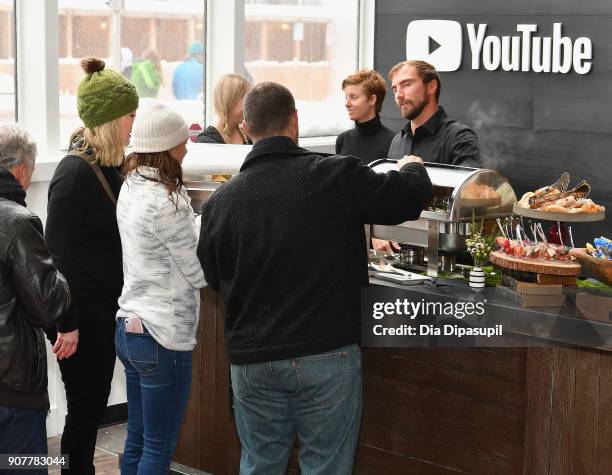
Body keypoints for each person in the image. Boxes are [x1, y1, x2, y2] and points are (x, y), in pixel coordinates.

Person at [197, 82, 432, 474]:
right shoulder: (334, 176)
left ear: (248, 127)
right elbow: (405, 198)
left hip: (251, 360)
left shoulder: (221, 203)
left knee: (259, 465)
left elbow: (214, 276)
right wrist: (412, 168)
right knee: (325, 467)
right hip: (326, 356)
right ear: (295, 121)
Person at [45, 57, 139, 474]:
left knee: (90, 410)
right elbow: (55, 256)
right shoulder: (73, 172)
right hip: (80, 319)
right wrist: (66, 323)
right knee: (85, 414)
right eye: (129, 116)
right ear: (109, 119)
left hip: (101, 313)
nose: (133, 124)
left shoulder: (110, 165)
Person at [115, 103, 206, 474]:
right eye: (183, 143)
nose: (186, 149)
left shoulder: (132, 187)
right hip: (162, 336)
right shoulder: (165, 202)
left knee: (137, 438)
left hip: (129, 327)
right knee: (159, 448)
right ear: (168, 147)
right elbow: (198, 272)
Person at [0, 124, 71, 471]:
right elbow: (49, 304)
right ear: (24, 169)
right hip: (13, 390)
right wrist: (60, 271)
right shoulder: (17, 221)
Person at [387, 60, 481, 167]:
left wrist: (416, 172)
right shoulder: (397, 141)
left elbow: (470, 183)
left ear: (431, 87)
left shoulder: (459, 137)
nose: (398, 95)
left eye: (407, 85)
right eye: (395, 89)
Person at [336, 69, 395, 164]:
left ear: (372, 100)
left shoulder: (394, 142)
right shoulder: (342, 140)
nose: (347, 104)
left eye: (353, 97)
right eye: (346, 97)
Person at [196, 73, 251, 144]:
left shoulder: (249, 136)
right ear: (231, 101)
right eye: (247, 98)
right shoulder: (206, 142)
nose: (251, 104)